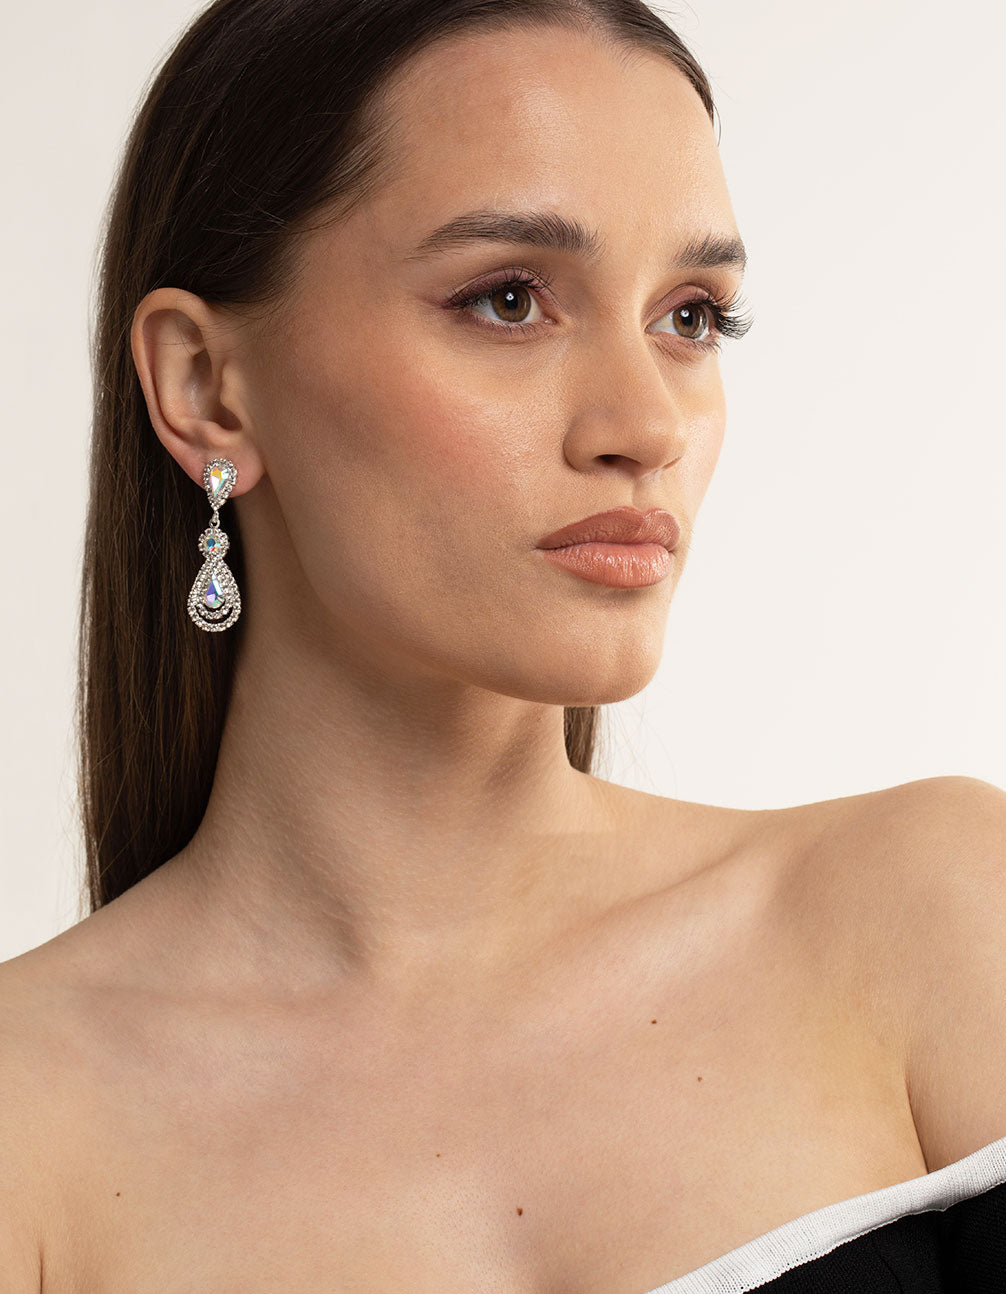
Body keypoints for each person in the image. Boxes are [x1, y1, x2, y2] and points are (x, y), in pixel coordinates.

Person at [2, 0, 1005, 1289]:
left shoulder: (930, 917)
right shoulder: (30, 1122)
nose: (646, 424)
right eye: (510, 300)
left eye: (692, 316)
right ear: (204, 386)